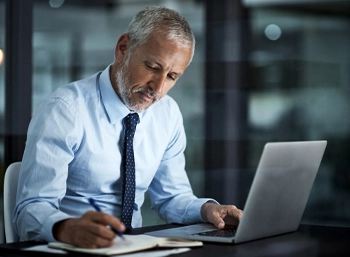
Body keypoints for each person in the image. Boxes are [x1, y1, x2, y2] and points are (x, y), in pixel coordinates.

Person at [14, 6, 242, 248]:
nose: (158, 87)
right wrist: (65, 228)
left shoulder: (167, 113)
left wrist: (208, 210)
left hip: (135, 247)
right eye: (153, 67)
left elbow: (172, 198)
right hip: (75, 248)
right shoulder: (66, 109)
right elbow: (30, 209)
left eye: (172, 76)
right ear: (123, 49)